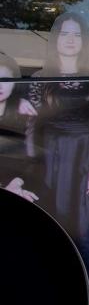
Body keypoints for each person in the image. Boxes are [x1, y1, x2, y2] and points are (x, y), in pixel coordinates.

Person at [26, 12, 89, 305]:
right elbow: (30, 128)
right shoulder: (39, 78)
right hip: (52, 163)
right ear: (55, 38)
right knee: (56, 233)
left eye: (77, 34)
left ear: (84, 40)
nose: (71, 39)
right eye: (65, 33)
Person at [0, 52, 39, 203]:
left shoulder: (24, 114)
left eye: (6, 80)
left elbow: (31, 160)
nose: (1, 86)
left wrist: (15, 185)